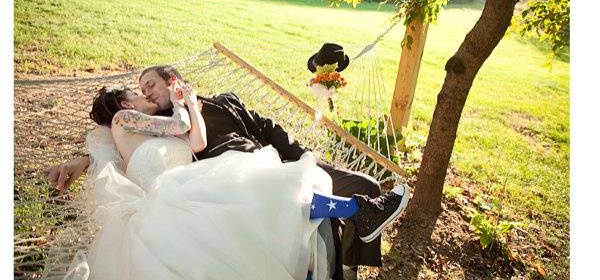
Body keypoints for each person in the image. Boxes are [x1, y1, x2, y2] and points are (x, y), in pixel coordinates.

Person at [47, 65, 409, 279]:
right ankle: (352, 233)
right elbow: (115, 142)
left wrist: (303, 160)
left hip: (273, 165)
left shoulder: (224, 101)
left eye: (151, 85)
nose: (147, 93)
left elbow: (266, 129)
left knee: (366, 183)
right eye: (140, 90)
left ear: (172, 79)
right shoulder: (151, 119)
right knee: (303, 211)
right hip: (228, 184)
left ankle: (356, 238)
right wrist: (81, 161)